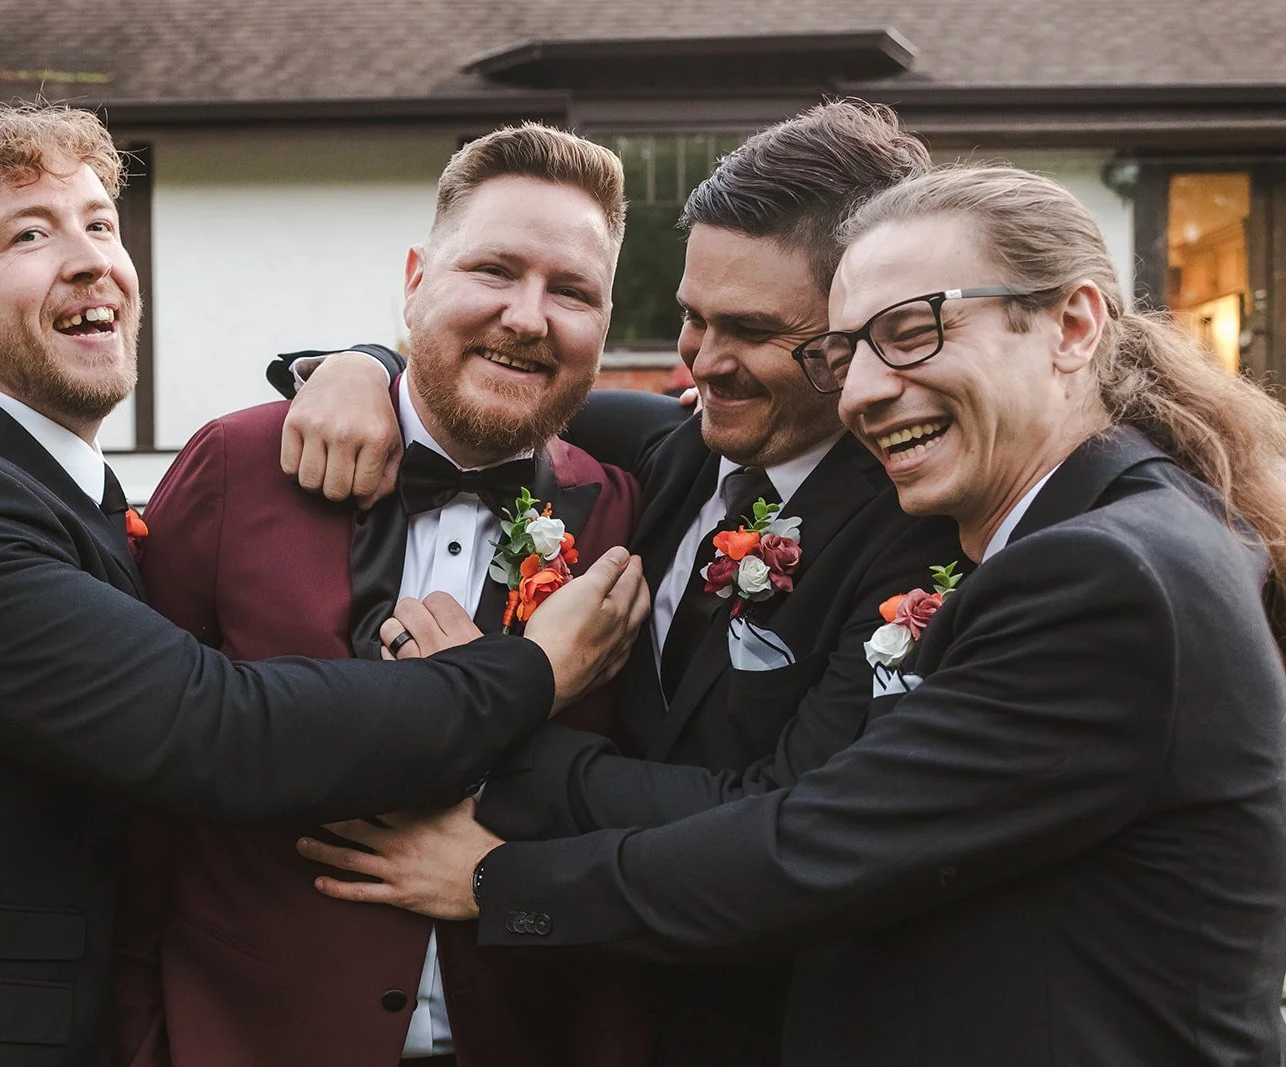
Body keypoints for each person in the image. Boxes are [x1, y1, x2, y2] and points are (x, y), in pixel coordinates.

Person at [0, 103, 645, 1067]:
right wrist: (530, 670)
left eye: (102, 224)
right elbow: (214, 730)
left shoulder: (65, 491)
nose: (88, 258)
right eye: (30, 233)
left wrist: (370, 361)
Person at [302, 163, 1286, 1066]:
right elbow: (498, 390)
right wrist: (361, 368)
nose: (863, 389)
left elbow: (810, 840)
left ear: (1073, 325)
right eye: (846, 350)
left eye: (910, 332)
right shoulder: (686, 452)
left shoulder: (1106, 574)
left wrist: (498, 865)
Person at [279, 100, 966, 1065]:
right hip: (593, 1020)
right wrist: (360, 366)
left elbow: (787, 809)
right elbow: (498, 379)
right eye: (693, 316)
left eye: (754, 331)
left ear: (853, 337)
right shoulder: (658, 448)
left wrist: (497, 726)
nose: (702, 363)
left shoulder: (923, 546)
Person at [114, 123, 650, 1067]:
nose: (528, 317)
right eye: (493, 270)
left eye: (572, 291)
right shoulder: (239, 464)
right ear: (414, 280)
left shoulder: (619, 509)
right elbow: (126, 792)